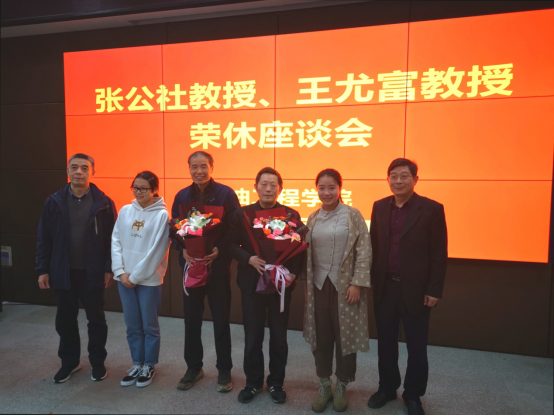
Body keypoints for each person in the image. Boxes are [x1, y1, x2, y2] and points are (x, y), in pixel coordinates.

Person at [367, 158, 447, 416]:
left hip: (417, 289)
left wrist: (434, 289)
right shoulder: (379, 206)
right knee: (386, 343)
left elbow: (439, 252)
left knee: (417, 346)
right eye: (393, 176)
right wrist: (369, 281)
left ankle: (413, 394)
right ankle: (387, 388)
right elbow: (374, 246)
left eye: (404, 176)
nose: (398, 181)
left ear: (415, 179)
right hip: (385, 287)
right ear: (388, 179)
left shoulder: (432, 209)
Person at [36, 153, 117, 383]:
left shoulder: (104, 203)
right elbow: (44, 237)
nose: (78, 172)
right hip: (63, 271)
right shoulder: (54, 202)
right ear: (68, 171)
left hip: (93, 272)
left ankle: (98, 363)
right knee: (65, 320)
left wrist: (109, 268)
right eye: (74, 167)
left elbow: (113, 239)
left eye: (84, 168)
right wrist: (42, 269)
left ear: (93, 172)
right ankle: (70, 362)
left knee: (96, 320)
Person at [228, 167, 306, 405]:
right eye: (264, 184)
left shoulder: (291, 215)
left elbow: (300, 248)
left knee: (279, 336)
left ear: (280, 188)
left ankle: (276, 382)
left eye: (273, 184)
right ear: (256, 187)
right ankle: (252, 382)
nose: (268, 188)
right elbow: (229, 244)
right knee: (253, 335)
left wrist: (293, 274)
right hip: (252, 283)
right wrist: (248, 258)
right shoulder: (242, 214)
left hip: (280, 284)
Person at [300, 169, 371, 413]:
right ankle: (323, 385)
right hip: (318, 287)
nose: (326, 192)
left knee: (345, 336)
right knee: (320, 336)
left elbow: (364, 250)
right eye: (322, 188)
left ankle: (341, 385)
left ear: (340, 188)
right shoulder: (312, 218)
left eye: (331, 187)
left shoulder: (353, 215)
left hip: (346, 288)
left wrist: (357, 283)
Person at [172, 151, 241, 393]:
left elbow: (235, 228)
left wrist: (220, 249)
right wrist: (182, 249)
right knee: (191, 319)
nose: (199, 171)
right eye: (194, 166)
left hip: (217, 267)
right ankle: (193, 367)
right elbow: (176, 228)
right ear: (189, 168)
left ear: (212, 167)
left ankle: (224, 369)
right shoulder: (182, 195)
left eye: (203, 166)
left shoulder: (225, 194)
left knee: (221, 319)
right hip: (191, 267)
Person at [111, 171, 170, 388]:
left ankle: (149, 365)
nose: (138, 192)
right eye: (135, 187)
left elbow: (157, 251)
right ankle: (137, 363)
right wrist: (120, 272)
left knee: (149, 326)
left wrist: (135, 276)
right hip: (124, 278)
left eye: (144, 188)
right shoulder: (126, 210)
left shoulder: (162, 215)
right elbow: (115, 241)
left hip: (148, 280)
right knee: (132, 325)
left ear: (154, 190)